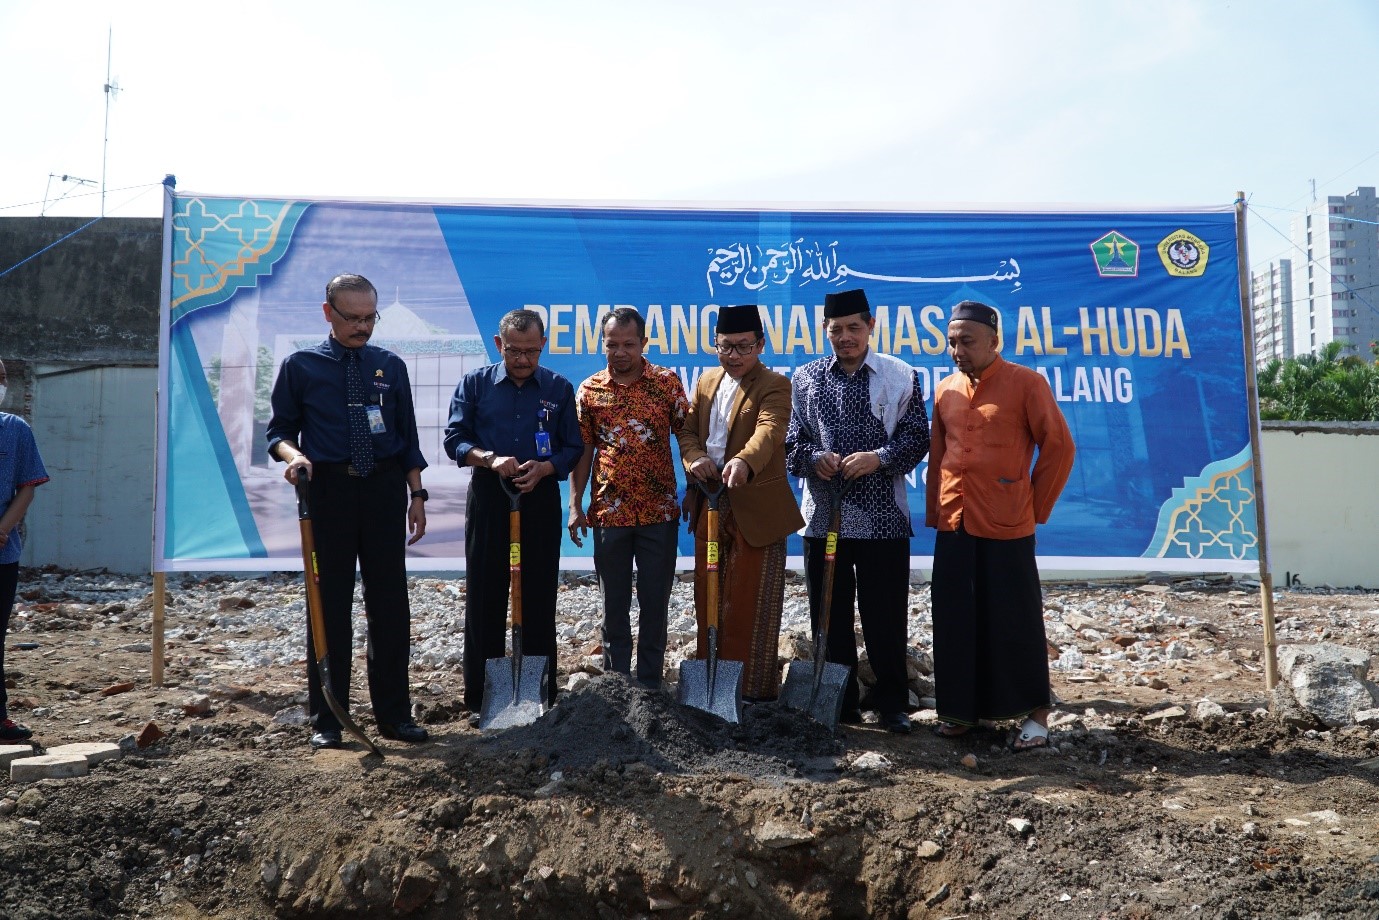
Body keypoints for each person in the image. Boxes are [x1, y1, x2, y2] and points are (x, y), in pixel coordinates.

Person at [266, 273, 431, 751]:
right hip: (328, 493)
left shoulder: (389, 367)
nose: (363, 327)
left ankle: (395, 715)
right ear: (328, 313)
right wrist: (293, 457)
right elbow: (277, 433)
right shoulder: (301, 366)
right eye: (353, 318)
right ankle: (328, 717)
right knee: (328, 605)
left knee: (389, 606)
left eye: (369, 318)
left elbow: (407, 439)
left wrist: (416, 496)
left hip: (382, 492)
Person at [926, 300, 1075, 751]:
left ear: (994, 341)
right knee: (953, 617)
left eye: (967, 342)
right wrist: (937, 512)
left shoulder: (1026, 384)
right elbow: (938, 457)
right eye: (951, 342)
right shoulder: (945, 390)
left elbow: (1059, 448)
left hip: (1008, 521)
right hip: (955, 521)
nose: (957, 351)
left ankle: (1036, 714)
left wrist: (1034, 506)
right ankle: (959, 712)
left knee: (1016, 618)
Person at [784, 289, 930, 733]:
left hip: (883, 517)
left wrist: (878, 459)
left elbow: (916, 439)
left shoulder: (900, 375)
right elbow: (791, 446)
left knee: (884, 613)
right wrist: (814, 459)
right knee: (828, 613)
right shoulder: (806, 379)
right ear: (825, 331)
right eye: (836, 330)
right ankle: (839, 703)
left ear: (871, 326)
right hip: (824, 516)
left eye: (853, 328)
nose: (845, 338)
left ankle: (891, 704)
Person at [444, 309, 582, 718]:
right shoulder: (475, 384)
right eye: (514, 351)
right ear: (499, 344)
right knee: (485, 595)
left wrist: (546, 467)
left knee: (539, 593)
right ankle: (481, 696)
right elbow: (455, 439)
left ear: (543, 346)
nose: (522, 360)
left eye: (531, 351)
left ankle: (540, 692)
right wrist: (489, 459)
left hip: (537, 496)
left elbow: (573, 447)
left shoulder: (558, 388)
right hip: (490, 494)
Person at [677, 304, 803, 701]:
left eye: (743, 347)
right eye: (725, 347)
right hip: (709, 501)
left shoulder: (775, 384)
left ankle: (751, 693)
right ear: (715, 345)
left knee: (751, 600)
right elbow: (686, 430)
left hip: (755, 506)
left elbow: (770, 429)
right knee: (707, 595)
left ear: (760, 345)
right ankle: (707, 689)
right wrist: (694, 458)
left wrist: (744, 462)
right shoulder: (705, 381)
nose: (734, 356)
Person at [569, 307, 689, 690]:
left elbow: (688, 438)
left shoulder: (666, 384)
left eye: (628, 344)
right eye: (612, 344)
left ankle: (651, 686)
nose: (620, 352)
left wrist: (697, 486)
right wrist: (575, 504)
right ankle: (616, 685)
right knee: (613, 606)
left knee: (655, 604)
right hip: (608, 513)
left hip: (659, 513)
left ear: (643, 344)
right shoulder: (589, 390)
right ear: (602, 344)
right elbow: (583, 450)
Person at [0, 360, 49, 743]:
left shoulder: (15, 430)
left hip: (2, 552)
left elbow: (27, 487)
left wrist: (3, 529)